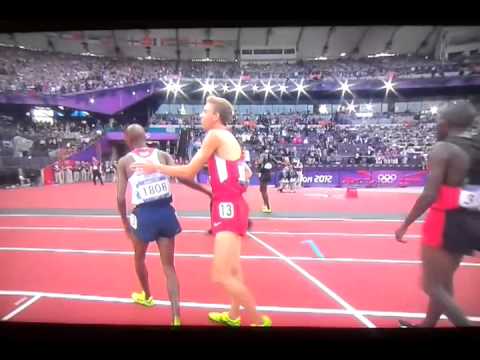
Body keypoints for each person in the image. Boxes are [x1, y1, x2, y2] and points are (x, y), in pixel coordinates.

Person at [132, 96, 271, 327]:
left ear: (216, 116)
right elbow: (244, 174)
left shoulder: (215, 135)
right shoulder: (228, 137)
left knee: (221, 274)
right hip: (231, 204)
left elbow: (187, 172)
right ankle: (234, 316)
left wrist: (155, 167)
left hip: (227, 207)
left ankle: (259, 320)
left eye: (205, 111)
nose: (201, 115)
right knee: (234, 269)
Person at [116, 124, 211, 326]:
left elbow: (120, 197)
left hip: (144, 215)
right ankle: (176, 317)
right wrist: (206, 192)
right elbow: (184, 178)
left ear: (127, 140)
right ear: (146, 136)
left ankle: (147, 296)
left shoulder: (124, 161)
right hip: (165, 212)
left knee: (139, 258)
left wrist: (125, 222)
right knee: (169, 267)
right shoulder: (163, 155)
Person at [395, 103, 480, 327]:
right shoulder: (473, 147)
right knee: (444, 281)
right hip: (468, 219)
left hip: (444, 218)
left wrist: (405, 223)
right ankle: (427, 325)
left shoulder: (443, 148)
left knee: (431, 285)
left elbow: (430, 194)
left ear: (445, 123)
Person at [257, 148, 275, 213]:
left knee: (264, 191)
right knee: (262, 190)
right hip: (266, 173)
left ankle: (268, 207)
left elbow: (260, 162)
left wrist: (258, 163)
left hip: (264, 174)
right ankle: (265, 205)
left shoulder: (262, 155)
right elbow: (276, 162)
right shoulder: (270, 156)